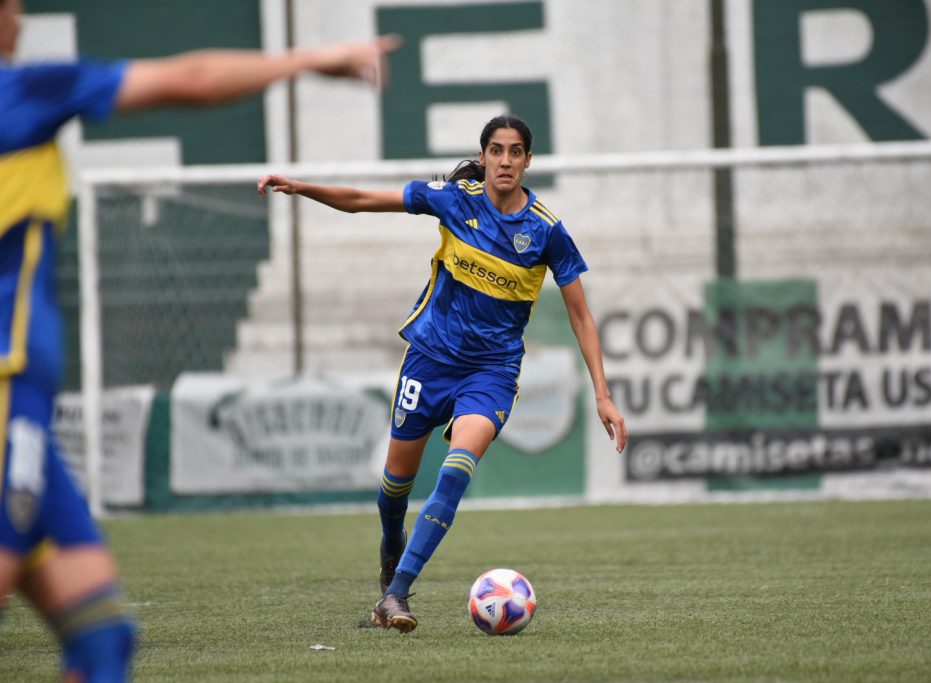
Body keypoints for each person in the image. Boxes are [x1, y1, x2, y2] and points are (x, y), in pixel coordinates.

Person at [0, 0, 400, 678]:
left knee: (102, 639)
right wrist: (307, 59)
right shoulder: (23, 89)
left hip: (25, 396)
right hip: (7, 389)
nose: (21, 15)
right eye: (12, 4)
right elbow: (191, 78)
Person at [257, 114, 629, 634]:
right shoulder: (455, 201)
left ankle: (397, 594)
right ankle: (390, 562)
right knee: (394, 490)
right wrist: (302, 189)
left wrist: (603, 394)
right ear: (484, 157)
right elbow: (365, 201)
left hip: (492, 371)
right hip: (430, 360)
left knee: (455, 473)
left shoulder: (546, 231)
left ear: (527, 160)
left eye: (515, 151)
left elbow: (582, 316)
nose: (505, 160)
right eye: (496, 150)